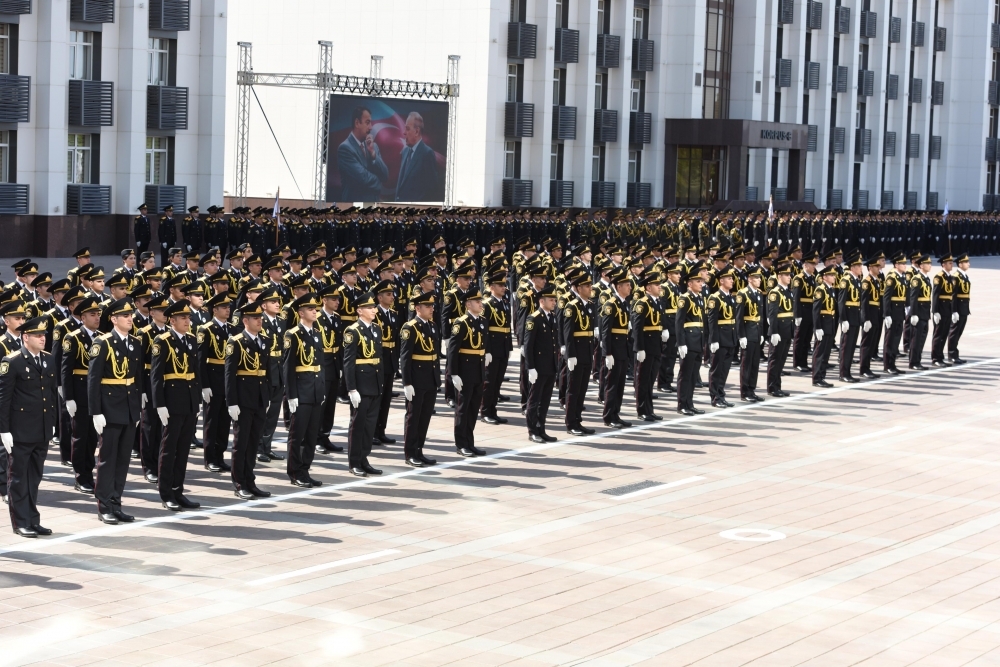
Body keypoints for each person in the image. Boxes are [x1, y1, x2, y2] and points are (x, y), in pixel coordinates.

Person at [0, 316, 58, 537]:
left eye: (44, 335)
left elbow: (51, 395)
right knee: (18, 478)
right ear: (25, 337)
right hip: (20, 430)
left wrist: (52, 422)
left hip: (41, 429)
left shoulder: (48, 359)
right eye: (38, 335)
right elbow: (3, 399)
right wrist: (4, 430)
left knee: (34, 477)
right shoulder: (12, 361)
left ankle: (33, 519)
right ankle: (21, 522)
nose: (43, 338)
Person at [88, 298, 143, 524]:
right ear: (113, 319)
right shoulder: (102, 343)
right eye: (125, 316)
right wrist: (96, 412)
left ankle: (116, 502)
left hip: (129, 408)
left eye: (131, 315)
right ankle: (104, 506)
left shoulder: (135, 343)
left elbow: (137, 378)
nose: (130, 319)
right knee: (107, 459)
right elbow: (93, 380)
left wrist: (137, 408)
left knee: (122, 460)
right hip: (109, 408)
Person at [151, 299, 201, 512]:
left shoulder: (191, 339)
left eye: (188, 317)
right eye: (183, 318)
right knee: (169, 449)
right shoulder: (162, 341)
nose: (187, 321)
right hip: (172, 401)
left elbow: (196, 372)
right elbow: (156, 375)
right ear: (172, 321)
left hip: (189, 401)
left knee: (183, 449)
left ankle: (178, 490)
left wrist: (197, 400)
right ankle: (166, 493)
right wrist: (159, 404)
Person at [225, 299, 271, 500]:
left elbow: (267, 372)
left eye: (260, 317)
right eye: (255, 318)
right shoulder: (235, 342)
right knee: (241, 443)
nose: (259, 320)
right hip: (243, 399)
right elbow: (229, 375)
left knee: (253, 442)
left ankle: (250, 480)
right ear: (245, 320)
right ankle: (239, 482)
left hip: (259, 398)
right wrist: (231, 402)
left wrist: (267, 397)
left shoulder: (265, 340)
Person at [61, 296, 103, 495]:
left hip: (97, 395)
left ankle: (89, 473)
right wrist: (68, 397)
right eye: (92, 315)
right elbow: (66, 370)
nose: (97, 318)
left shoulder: (102, 337)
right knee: (80, 437)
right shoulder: (73, 338)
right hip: (80, 394)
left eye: (98, 314)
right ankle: (80, 476)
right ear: (83, 317)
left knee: (93, 438)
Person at [284, 293, 327, 486]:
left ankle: (305, 470)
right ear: (301, 313)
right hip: (301, 392)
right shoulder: (292, 334)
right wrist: (291, 395)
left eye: (315, 309)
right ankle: (295, 472)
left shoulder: (317, 333)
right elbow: (288, 367)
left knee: (311, 435)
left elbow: (320, 364)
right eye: (310, 309)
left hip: (315, 391)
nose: (314, 312)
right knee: (297, 435)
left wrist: (322, 389)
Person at [343, 292, 385, 475]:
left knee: (369, 425)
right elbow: (348, 362)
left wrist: (381, 383)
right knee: (358, 425)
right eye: (369, 307)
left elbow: (379, 358)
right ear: (360, 311)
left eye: (374, 307)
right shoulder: (352, 331)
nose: (374, 310)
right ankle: (354, 462)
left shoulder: (376, 329)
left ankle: (364, 458)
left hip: (374, 382)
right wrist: (351, 388)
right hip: (361, 384)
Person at [399, 291, 439, 466]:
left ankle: (419, 450)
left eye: (432, 306)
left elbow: (434, 355)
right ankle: (410, 453)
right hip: (416, 379)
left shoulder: (432, 325)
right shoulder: (410, 328)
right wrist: (407, 383)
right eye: (427, 306)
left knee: (425, 417)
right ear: (417, 308)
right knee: (413, 417)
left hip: (430, 378)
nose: (431, 309)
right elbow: (405, 358)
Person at [447, 286, 487, 456]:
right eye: (477, 302)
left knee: (473, 408)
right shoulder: (461, 323)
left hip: (478, 370)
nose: (481, 304)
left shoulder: (482, 321)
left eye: (480, 301)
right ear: (468, 304)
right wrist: (454, 374)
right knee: (463, 409)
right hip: (465, 371)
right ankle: (461, 443)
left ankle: (470, 442)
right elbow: (453, 350)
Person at [199, 292, 234, 472]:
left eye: (228, 307)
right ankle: (210, 458)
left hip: (227, 382)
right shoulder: (206, 330)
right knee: (211, 422)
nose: (228, 310)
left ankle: (220, 456)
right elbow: (200, 360)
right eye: (224, 307)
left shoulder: (232, 329)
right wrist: (204, 385)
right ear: (215, 310)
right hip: (213, 381)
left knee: (224, 423)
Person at [561, 271, 596, 435]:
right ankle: (571, 423)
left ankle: (578, 420)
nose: (590, 288)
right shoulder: (572, 306)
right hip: (576, 353)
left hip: (586, 353)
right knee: (573, 390)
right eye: (586, 286)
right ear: (578, 288)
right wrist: (570, 355)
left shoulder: (589, 305)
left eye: (590, 285)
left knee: (582, 390)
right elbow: (568, 334)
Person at [524, 284, 559, 443]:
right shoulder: (534, 318)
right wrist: (530, 367)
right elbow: (528, 346)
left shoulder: (552, 317)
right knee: (534, 400)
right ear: (542, 301)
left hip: (550, 366)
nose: (554, 302)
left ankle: (541, 428)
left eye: (554, 300)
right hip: (538, 367)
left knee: (545, 401)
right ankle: (532, 430)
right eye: (551, 300)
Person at [631, 268, 666, 419]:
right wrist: (639, 348)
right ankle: (642, 411)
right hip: (646, 346)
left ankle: (649, 409)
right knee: (643, 380)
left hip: (655, 345)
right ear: (648, 288)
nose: (660, 287)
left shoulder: (657, 302)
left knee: (651, 380)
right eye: (656, 285)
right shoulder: (642, 303)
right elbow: (637, 328)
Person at [600, 268, 632, 428]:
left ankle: (615, 414)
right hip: (614, 350)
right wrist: (607, 353)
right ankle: (608, 416)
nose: (630, 287)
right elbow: (606, 331)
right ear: (619, 287)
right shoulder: (611, 304)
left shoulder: (624, 303)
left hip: (622, 350)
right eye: (627, 285)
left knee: (620, 385)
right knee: (612, 385)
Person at [480, 269, 512, 425]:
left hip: (503, 348)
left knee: (498, 381)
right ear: (491, 287)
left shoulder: (504, 303)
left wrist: (509, 347)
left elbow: (507, 327)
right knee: (489, 382)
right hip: (492, 349)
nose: (504, 288)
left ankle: (493, 411)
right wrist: (486, 351)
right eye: (500, 285)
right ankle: (485, 411)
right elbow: (484, 330)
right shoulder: (486, 305)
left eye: (504, 285)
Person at [338, 106, 389, 201]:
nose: (371, 127)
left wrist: (373, 154)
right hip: (355, 207)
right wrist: (379, 181)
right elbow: (363, 179)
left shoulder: (374, 146)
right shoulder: (345, 149)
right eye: (367, 122)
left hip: (374, 205)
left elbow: (385, 175)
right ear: (357, 123)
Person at [316, 286, 344, 454]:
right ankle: (316, 438)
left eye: (338, 299)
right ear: (324, 300)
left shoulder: (337, 318)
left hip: (334, 365)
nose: (337, 302)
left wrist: (340, 366)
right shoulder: (317, 318)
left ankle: (325, 435)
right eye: (333, 299)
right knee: (321, 404)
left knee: (331, 404)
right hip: (322, 365)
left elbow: (339, 344)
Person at [373, 279, 400, 446]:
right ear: (380, 297)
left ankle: (381, 430)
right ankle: (373, 431)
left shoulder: (393, 314)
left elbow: (396, 340)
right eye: (388, 294)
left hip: (390, 360)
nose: (392, 297)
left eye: (392, 294)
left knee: (386, 398)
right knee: (377, 398)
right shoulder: (374, 314)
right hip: (379, 359)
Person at [706, 266, 738, 408]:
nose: (732, 281)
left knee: (724, 370)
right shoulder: (715, 298)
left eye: (732, 278)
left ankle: (721, 395)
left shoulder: (730, 297)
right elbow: (712, 321)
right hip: (720, 339)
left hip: (730, 338)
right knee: (716, 370)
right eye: (729, 278)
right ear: (721, 281)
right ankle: (715, 397)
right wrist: (713, 340)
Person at [676, 268, 706, 415]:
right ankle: (682, 404)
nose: (701, 284)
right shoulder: (685, 298)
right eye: (698, 281)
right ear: (689, 284)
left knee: (693, 375)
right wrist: (681, 343)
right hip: (688, 341)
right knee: (685, 374)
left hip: (698, 341)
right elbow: (679, 322)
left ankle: (690, 403)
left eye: (701, 281)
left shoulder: (699, 298)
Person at [395, 111, 440, 202]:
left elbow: (432, 190)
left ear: (416, 131)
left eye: (407, 129)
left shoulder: (427, 154)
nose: (404, 132)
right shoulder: (405, 152)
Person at [735, 267, 765, 402]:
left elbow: (760, 316)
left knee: (754, 363)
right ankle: (745, 391)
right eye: (756, 278)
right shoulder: (742, 294)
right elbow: (739, 317)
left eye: (759, 278)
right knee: (746, 364)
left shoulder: (758, 293)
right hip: (747, 332)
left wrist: (762, 333)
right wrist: (741, 336)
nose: (759, 280)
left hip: (756, 332)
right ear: (750, 279)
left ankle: (751, 389)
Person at [765, 263, 795, 397]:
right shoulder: (775, 293)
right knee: (775, 360)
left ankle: (777, 386)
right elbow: (772, 314)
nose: (789, 277)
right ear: (779, 276)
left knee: (781, 360)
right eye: (786, 275)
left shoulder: (788, 291)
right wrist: (774, 332)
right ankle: (772, 387)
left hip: (787, 329)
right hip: (779, 330)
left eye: (789, 275)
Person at [811, 265, 839, 387]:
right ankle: (817, 378)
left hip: (829, 324)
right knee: (820, 353)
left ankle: (822, 376)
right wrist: (817, 327)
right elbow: (816, 311)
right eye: (831, 275)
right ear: (824, 277)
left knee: (826, 353)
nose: (834, 277)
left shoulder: (830, 289)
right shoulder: (820, 290)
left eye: (834, 275)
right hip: (822, 325)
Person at [882, 252, 909, 375]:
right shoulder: (891, 277)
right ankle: (888, 365)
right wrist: (887, 314)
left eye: (904, 263)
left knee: (896, 339)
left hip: (899, 312)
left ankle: (892, 364)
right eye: (902, 263)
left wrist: (907, 306)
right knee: (890, 340)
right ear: (896, 265)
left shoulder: (901, 277)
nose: (904, 265)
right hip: (893, 312)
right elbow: (886, 297)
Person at [837, 255, 863, 383]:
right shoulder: (846, 280)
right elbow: (841, 302)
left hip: (855, 317)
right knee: (846, 347)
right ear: (852, 267)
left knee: (851, 346)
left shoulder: (857, 280)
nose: (861, 268)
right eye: (858, 266)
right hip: (848, 317)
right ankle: (843, 373)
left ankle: (848, 372)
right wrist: (843, 319)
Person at [907, 255, 933, 370]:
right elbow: (913, 297)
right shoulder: (917, 279)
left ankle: (918, 360)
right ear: (921, 265)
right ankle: (913, 362)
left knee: (922, 338)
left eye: (930, 263)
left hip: (925, 312)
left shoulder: (926, 278)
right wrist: (913, 314)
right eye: (927, 263)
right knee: (916, 339)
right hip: (918, 312)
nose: (930, 265)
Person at [930, 254, 955, 367]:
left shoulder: (950, 277)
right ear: (943, 264)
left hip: (948, 309)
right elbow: (935, 295)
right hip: (941, 309)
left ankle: (940, 356)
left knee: (944, 334)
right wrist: (935, 311)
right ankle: (935, 358)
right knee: (938, 334)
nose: (952, 264)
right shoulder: (939, 277)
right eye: (949, 263)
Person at [948, 253, 971, 364]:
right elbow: (953, 295)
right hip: (958, 308)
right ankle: (952, 354)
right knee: (954, 332)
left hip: (964, 308)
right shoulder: (956, 277)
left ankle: (955, 353)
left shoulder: (964, 276)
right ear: (960, 264)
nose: (968, 264)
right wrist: (954, 311)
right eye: (966, 262)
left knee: (959, 332)